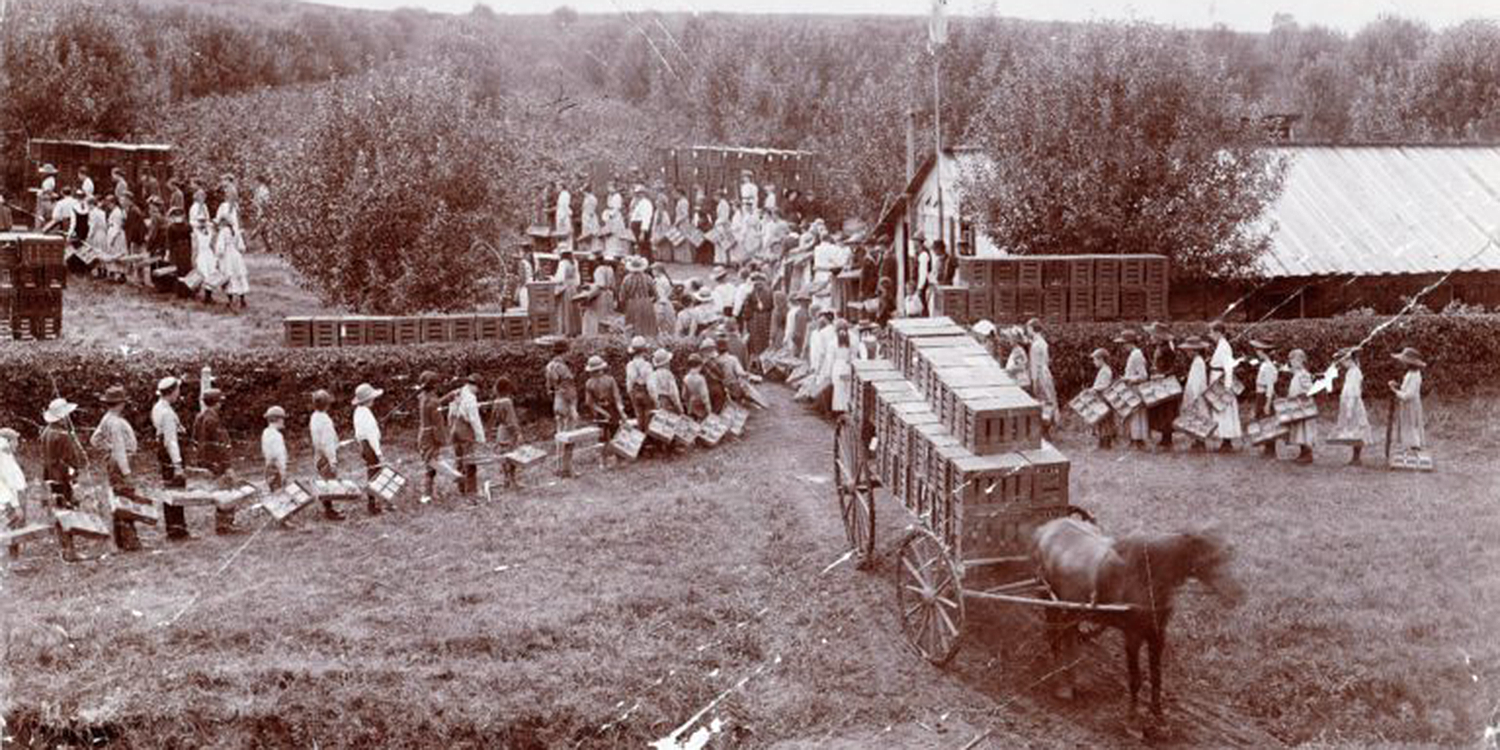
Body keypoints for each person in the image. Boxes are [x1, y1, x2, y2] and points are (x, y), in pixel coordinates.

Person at [90, 385, 145, 551]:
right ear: (120, 403)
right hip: (120, 461)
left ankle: (122, 539)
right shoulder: (114, 422)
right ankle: (129, 541)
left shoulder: (106, 418)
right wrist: (126, 471)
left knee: (119, 497)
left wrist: (107, 448)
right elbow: (119, 449)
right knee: (125, 497)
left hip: (114, 460)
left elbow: (94, 439)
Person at [40, 398, 84, 562]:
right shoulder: (63, 436)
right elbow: (70, 460)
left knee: (59, 510)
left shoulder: (45, 433)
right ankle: (70, 551)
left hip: (51, 476)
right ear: (61, 417)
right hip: (63, 477)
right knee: (68, 510)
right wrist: (74, 481)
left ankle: (64, 548)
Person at [192, 388, 240, 534]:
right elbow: (220, 446)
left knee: (221, 490)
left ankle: (223, 523)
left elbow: (194, 440)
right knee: (227, 490)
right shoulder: (213, 419)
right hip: (218, 462)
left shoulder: (199, 417)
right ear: (217, 403)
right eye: (220, 401)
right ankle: (225, 524)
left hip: (207, 461)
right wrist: (228, 466)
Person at [151, 377, 190, 540]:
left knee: (170, 490)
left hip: (163, 452)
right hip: (170, 454)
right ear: (172, 392)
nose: (178, 394)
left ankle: (174, 528)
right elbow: (171, 441)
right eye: (177, 390)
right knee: (176, 490)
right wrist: (178, 464)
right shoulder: (167, 413)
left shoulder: (158, 407)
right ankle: (177, 529)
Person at [352, 382, 391, 514]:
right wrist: (379, 453)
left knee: (372, 473)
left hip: (363, 446)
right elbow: (372, 436)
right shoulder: (366, 414)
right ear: (368, 400)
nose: (374, 399)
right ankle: (373, 505)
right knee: (375, 474)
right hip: (370, 447)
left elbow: (358, 434)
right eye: (372, 398)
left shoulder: (358, 412)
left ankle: (375, 502)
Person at [308, 389, 347, 521]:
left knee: (325, 480)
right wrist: (332, 460)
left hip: (318, 453)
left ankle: (328, 508)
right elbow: (327, 443)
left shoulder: (314, 416)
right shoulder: (325, 420)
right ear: (328, 404)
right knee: (328, 481)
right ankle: (329, 511)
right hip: (325, 455)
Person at [1207, 322, 1243, 452]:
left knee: (1224, 409)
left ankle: (1227, 440)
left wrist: (1227, 387)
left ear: (1218, 333)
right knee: (1219, 409)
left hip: (1222, 379)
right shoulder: (1220, 345)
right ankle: (1223, 438)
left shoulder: (1225, 346)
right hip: (1216, 376)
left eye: (1211, 332)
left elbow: (1229, 367)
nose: (1210, 335)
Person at [1333, 348, 1372, 466]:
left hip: (1353, 404)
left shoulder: (1355, 372)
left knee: (1357, 428)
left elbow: (1354, 391)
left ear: (1349, 360)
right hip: (1348, 402)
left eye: (1343, 361)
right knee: (1353, 429)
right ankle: (1355, 457)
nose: (1342, 364)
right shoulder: (1350, 372)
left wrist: (1350, 407)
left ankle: (1357, 457)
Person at [1144, 322, 1179, 451]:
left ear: (1159, 337)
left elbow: (1173, 368)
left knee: (1167, 410)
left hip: (1167, 384)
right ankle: (1165, 438)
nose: (1150, 337)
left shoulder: (1167, 350)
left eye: (1152, 335)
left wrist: (1162, 375)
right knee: (1163, 410)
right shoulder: (1160, 349)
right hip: (1161, 382)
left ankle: (1167, 439)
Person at [1177, 335, 1213, 452]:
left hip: (1197, 394)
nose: (1187, 353)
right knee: (1196, 416)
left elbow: (1198, 382)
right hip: (1194, 392)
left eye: (1189, 350)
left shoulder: (1198, 362)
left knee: (1199, 416)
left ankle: (1200, 442)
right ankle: (1197, 441)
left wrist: (1195, 396)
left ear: (1194, 350)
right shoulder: (1197, 361)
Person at [417, 372, 448, 504]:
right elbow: (438, 424)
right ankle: (426, 495)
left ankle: (428, 493)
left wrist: (449, 396)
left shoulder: (423, 397)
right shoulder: (433, 402)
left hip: (423, 434)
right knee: (431, 466)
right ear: (435, 385)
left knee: (429, 464)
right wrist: (442, 440)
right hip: (431, 437)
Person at [1388, 347, 1426, 453]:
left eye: (1404, 362)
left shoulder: (1415, 376)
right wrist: (1398, 386)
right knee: (1407, 426)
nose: (1402, 364)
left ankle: (1415, 449)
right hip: (1407, 406)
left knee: (1412, 426)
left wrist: (1394, 390)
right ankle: (1409, 448)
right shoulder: (1410, 374)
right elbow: (1406, 389)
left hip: (1411, 406)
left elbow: (1408, 395)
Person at [1117, 330, 1150, 450]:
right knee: (1133, 414)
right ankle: (1134, 439)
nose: (1123, 347)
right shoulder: (1133, 354)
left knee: (1137, 414)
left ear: (1130, 343)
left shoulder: (1137, 355)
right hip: (1132, 387)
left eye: (1124, 344)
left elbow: (1143, 375)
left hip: (1136, 388)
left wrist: (1128, 379)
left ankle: (1138, 440)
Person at [581, 356, 627, 439]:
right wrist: (621, 412)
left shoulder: (589, 383)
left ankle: (605, 447)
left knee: (603, 433)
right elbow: (617, 398)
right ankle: (612, 448)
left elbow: (589, 402)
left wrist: (602, 412)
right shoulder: (610, 380)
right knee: (614, 433)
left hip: (599, 411)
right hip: (611, 410)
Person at [1285, 349, 1318, 464]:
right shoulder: (1297, 374)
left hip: (1304, 406)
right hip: (1297, 406)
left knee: (1305, 430)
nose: (1292, 362)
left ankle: (1308, 454)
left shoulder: (1304, 374)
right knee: (1299, 429)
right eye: (1291, 360)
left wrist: (1299, 397)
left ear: (1300, 361)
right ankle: (1302, 452)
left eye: (1293, 360)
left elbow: (1308, 390)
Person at [1027, 319, 1059, 436]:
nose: (1027, 331)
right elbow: (1046, 360)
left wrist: (1034, 380)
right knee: (1049, 400)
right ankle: (1047, 427)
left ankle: (1044, 429)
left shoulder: (1035, 345)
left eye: (1028, 328)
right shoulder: (1043, 342)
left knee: (1042, 400)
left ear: (1031, 328)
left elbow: (1034, 365)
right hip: (1046, 373)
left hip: (1040, 375)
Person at [1251, 339, 1280, 459]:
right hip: (1260, 394)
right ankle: (1267, 446)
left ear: (1263, 352)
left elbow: (1270, 386)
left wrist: (1267, 403)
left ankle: (1271, 448)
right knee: (1262, 420)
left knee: (1268, 421)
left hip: (1265, 396)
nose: (1257, 352)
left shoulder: (1268, 367)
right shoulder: (1264, 364)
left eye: (1258, 350)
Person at [1, 428, 27, 560]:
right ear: (7, 441)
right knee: (14, 526)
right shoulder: (3, 458)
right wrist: (16, 505)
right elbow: (9, 484)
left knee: (18, 526)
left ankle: (16, 555)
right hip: (11, 498)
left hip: (17, 495)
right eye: (15, 440)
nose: (17, 443)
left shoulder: (8, 455)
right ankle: (14, 558)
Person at [546, 339, 580, 433]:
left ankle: (559, 448)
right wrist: (573, 406)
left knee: (559, 428)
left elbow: (548, 387)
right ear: (565, 352)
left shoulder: (549, 366)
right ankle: (567, 447)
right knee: (569, 430)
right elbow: (568, 387)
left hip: (557, 399)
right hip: (566, 400)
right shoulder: (562, 367)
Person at [618, 256, 657, 338]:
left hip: (632, 303)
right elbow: (655, 295)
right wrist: (649, 301)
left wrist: (625, 305)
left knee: (632, 326)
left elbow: (622, 297)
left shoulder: (627, 279)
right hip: (646, 303)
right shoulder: (648, 278)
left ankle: (634, 343)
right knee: (648, 327)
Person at [217, 215, 249, 309]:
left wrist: (218, 256)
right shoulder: (236, 231)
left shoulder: (223, 232)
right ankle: (242, 299)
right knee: (238, 276)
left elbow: (220, 248)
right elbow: (241, 247)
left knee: (229, 276)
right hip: (236, 255)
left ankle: (230, 301)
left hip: (228, 255)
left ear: (224, 223)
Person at [624, 337, 656, 432]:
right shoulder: (647, 365)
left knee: (638, 415)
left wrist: (630, 393)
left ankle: (639, 437)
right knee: (648, 415)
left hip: (635, 391)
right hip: (645, 392)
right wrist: (654, 397)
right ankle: (647, 438)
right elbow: (650, 385)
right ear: (644, 351)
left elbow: (629, 382)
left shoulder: (630, 365)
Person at [1088, 348, 1118, 449]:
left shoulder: (1105, 371)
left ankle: (1106, 443)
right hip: (1102, 398)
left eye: (1095, 359)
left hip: (1105, 398)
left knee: (1105, 421)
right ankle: (1102, 442)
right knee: (1102, 421)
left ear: (1101, 359)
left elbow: (1104, 385)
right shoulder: (1104, 370)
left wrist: (1094, 389)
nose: (1094, 362)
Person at [552, 249, 581, 337]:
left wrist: (553, 279)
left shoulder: (563, 263)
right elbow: (577, 278)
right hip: (573, 288)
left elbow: (560, 278)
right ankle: (575, 329)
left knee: (566, 310)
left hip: (566, 288)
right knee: (573, 308)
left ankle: (567, 330)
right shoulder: (574, 262)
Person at [261, 406, 288, 492]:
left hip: (269, 467)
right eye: (282, 419)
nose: (283, 422)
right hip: (276, 468)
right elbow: (277, 455)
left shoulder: (266, 432)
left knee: (273, 491)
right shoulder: (276, 435)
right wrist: (282, 472)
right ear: (278, 419)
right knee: (279, 492)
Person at [648, 348, 683, 414]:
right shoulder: (668, 375)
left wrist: (657, 403)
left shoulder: (653, 375)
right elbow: (674, 393)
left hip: (658, 405)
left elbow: (651, 390)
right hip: (669, 405)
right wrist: (680, 409)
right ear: (666, 362)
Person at [682, 354, 713, 420]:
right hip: (701, 406)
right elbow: (705, 396)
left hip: (691, 406)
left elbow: (684, 395)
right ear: (699, 365)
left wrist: (688, 404)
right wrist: (709, 410)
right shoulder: (701, 379)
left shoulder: (686, 378)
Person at [1003, 328, 1032, 392]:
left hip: (1020, 382)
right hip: (1017, 380)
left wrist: (1008, 371)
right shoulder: (1015, 350)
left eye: (1010, 338)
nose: (1008, 340)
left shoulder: (1018, 351)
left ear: (1015, 339)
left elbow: (1020, 366)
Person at [629, 185, 654, 259]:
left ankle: (647, 263)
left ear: (644, 193)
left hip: (641, 226)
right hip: (636, 226)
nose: (638, 195)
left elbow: (646, 218)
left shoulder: (646, 203)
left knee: (644, 246)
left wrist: (642, 232)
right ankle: (643, 263)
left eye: (640, 193)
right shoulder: (638, 203)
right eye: (637, 193)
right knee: (640, 247)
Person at [579, 184, 600, 253]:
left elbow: (591, 211)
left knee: (591, 233)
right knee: (585, 234)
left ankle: (593, 249)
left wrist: (589, 222)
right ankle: (587, 249)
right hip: (585, 217)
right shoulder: (586, 198)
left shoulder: (592, 199)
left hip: (590, 218)